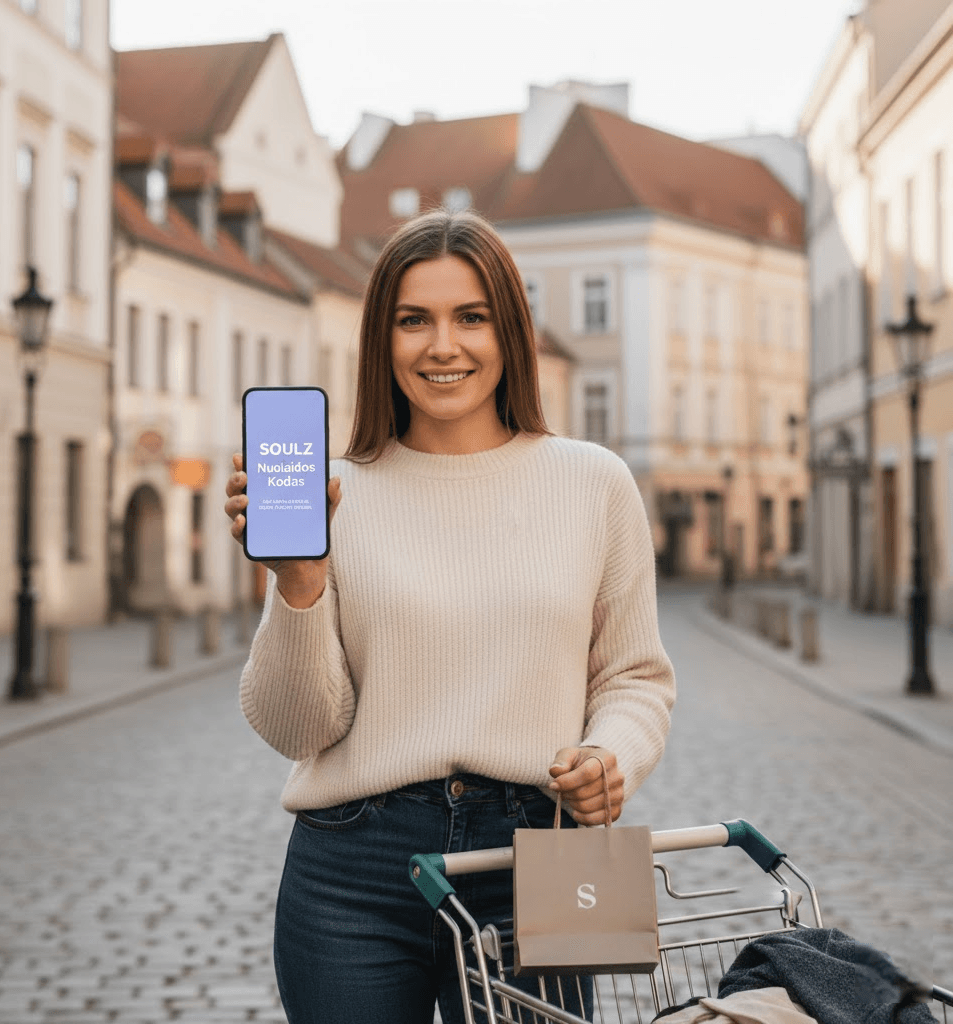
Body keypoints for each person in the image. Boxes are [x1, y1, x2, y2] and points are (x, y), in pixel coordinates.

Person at [223, 209, 675, 1024]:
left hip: (533, 855)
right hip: (353, 871)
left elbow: (634, 678)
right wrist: (298, 581)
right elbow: (300, 729)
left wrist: (611, 758)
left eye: (471, 317)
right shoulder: (333, 494)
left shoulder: (594, 483)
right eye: (413, 320)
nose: (443, 346)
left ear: (510, 331)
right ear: (380, 340)